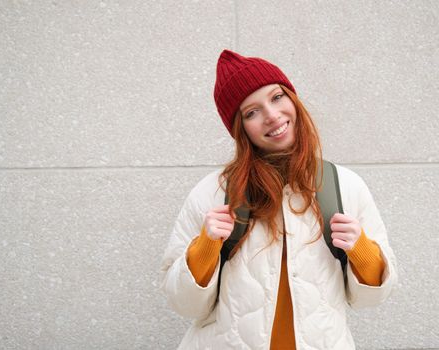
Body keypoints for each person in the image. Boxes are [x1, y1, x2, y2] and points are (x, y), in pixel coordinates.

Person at [160, 49, 398, 349]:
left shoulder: (344, 186)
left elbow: (371, 298)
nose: (272, 116)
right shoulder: (213, 193)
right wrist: (205, 248)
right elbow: (184, 305)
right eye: (251, 112)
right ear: (240, 128)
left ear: (292, 98)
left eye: (276, 97)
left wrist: (362, 250)